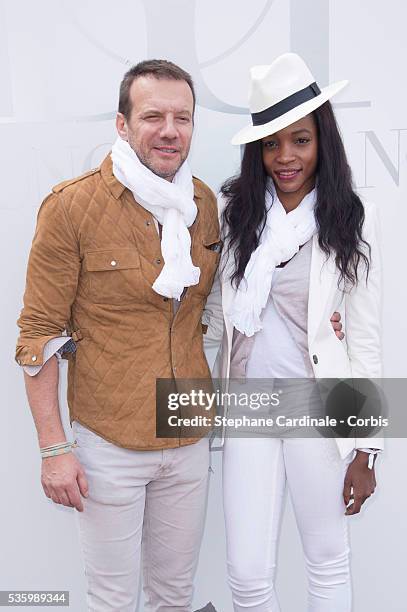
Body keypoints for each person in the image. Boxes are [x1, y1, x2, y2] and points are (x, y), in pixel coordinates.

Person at [15, 59, 221, 612]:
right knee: (111, 598)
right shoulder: (71, 207)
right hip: (109, 443)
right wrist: (54, 449)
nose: (170, 131)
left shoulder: (202, 205)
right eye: (153, 116)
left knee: (175, 595)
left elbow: (215, 311)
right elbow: (38, 334)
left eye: (183, 118)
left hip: (187, 434)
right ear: (122, 124)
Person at [203, 53, 384, 611]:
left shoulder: (351, 217)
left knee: (328, 563)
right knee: (247, 574)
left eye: (300, 141)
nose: (285, 157)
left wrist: (367, 450)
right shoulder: (234, 214)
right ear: (257, 151)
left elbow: (364, 339)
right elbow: (213, 322)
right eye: (271, 144)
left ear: (321, 141)